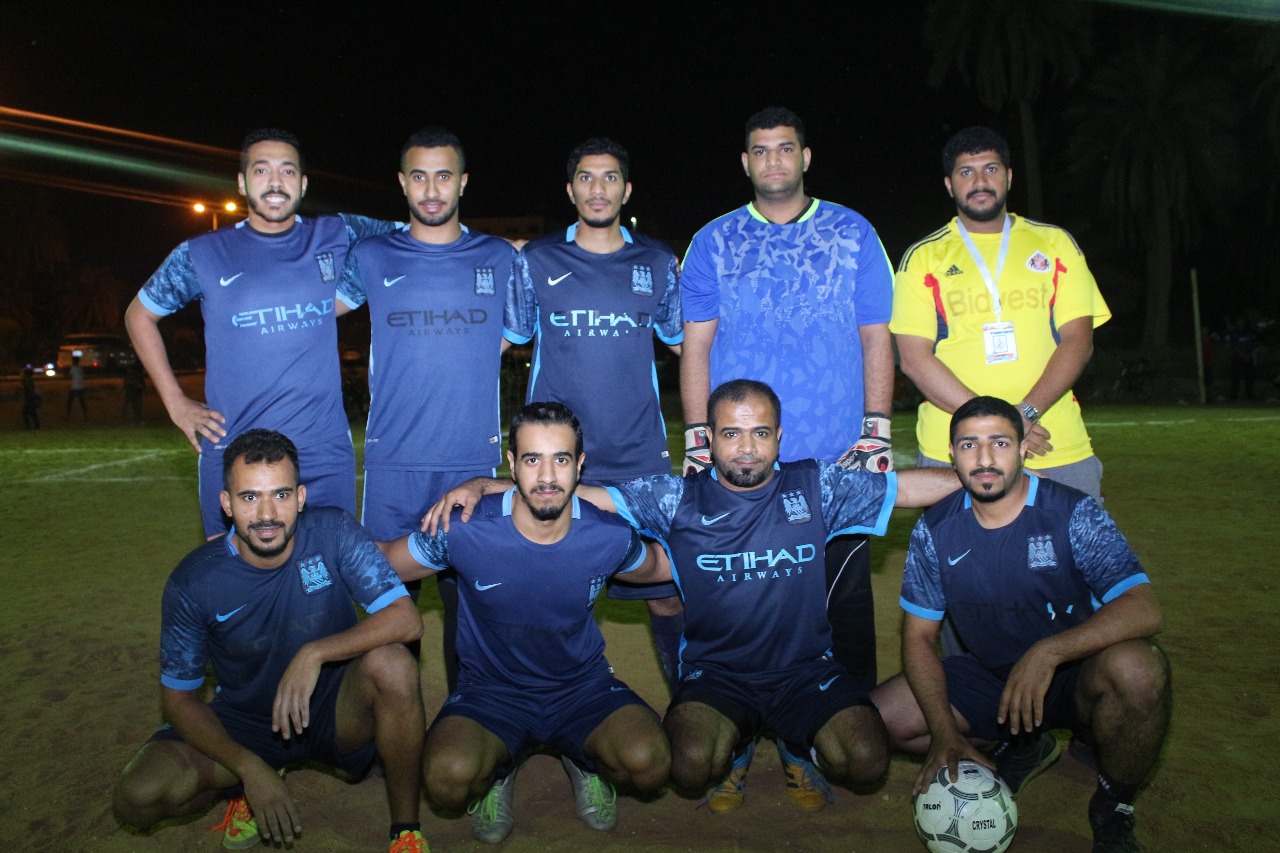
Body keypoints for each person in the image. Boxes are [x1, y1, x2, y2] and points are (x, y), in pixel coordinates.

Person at [426, 380, 959, 816]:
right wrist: (482, 483)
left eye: (759, 433)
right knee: (686, 765)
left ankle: (800, 742)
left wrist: (990, 477)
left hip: (804, 669)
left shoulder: (817, 487)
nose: (746, 447)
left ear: (779, 437)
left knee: (865, 760)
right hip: (718, 673)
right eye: (731, 433)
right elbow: (563, 488)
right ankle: (740, 743)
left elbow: (909, 487)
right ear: (707, 438)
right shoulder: (674, 497)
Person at [678, 106, 896, 805]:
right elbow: (698, 345)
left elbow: (874, 337)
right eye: (760, 151)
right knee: (739, 604)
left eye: (785, 149)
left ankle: (818, 734)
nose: (773, 161)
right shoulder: (713, 240)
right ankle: (738, 738)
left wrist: (877, 429)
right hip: (741, 464)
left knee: (845, 603)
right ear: (745, 162)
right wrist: (695, 436)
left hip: (833, 458)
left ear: (806, 156)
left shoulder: (853, 231)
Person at [871, 396, 1170, 853]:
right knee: (884, 719)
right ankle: (1021, 745)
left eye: (1000, 443)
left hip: (1078, 674)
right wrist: (945, 733)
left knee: (1139, 669)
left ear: (1023, 449)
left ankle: (1115, 803)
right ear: (951, 454)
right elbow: (918, 637)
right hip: (993, 678)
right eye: (969, 445)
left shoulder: (1071, 512)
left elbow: (1144, 608)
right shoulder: (936, 529)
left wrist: (1048, 652)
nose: (985, 458)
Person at [112, 429, 428, 853]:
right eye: (249, 498)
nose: (266, 514)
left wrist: (314, 653)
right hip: (249, 725)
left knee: (393, 663)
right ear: (226, 504)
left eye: (280, 496)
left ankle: (405, 830)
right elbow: (179, 700)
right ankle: (254, 781)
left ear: (300, 498)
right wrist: (249, 768)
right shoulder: (195, 582)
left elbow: (406, 619)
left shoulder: (333, 531)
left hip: (336, 711)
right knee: (139, 797)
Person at [379, 402, 671, 844]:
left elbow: (659, 568)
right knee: (447, 779)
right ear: (512, 464)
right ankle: (501, 764)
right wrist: (304, 537)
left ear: (580, 466)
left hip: (580, 687)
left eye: (562, 459)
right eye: (533, 459)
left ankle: (582, 756)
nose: (548, 476)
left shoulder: (609, 536)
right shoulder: (464, 529)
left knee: (649, 763)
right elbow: (383, 563)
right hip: (492, 692)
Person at [125, 128, 402, 538]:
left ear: (304, 184)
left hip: (322, 453)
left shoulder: (336, 233)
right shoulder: (201, 253)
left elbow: (425, 236)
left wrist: (501, 249)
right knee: (239, 583)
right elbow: (138, 316)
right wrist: (174, 401)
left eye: (288, 171)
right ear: (241, 182)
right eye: (262, 170)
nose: (275, 182)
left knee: (327, 581)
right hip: (235, 451)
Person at [339, 126, 530, 689]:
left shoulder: (496, 256)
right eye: (418, 176)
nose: (431, 188)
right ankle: (396, 730)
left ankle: (464, 724)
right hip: (393, 464)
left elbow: (515, 330)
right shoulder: (371, 256)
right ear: (402, 183)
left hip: (470, 465)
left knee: (468, 616)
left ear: (463, 182)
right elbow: (313, 313)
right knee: (391, 616)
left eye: (443, 175)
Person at [510, 137, 686, 694]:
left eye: (609, 178)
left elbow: (692, 348)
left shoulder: (658, 263)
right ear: (570, 190)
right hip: (557, 467)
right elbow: (500, 340)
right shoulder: (536, 260)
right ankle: (542, 717)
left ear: (626, 189)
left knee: (667, 592)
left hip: (640, 459)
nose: (598, 189)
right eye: (586, 178)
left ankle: (691, 708)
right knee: (548, 595)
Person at [892, 126, 1110, 499]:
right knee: (964, 557)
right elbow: (914, 359)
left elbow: (1078, 341)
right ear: (949, 184)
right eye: (966, 172)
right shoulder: (923, 257)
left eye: (991, 169)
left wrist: (1024, 414)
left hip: (1052, 442)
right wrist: (998, 426)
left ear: (1009, 177)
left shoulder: (1055, 244)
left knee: (1070, 555)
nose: (979, 181)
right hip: (957, 447)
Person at [65, 354, 87, 420]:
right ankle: (85, 415)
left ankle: (68, 416)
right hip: (81, 387)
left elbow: (69, 376)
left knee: (69, 402)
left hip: (75, 388)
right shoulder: (80, 369)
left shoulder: (73, 368)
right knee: (82, 402)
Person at [21, 364, 41, 429]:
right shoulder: (29, 379)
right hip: (30, 397)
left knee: (28, 412)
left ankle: (31, 425)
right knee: (31, 412)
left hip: (29, 398)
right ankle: (34, 425)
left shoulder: (27, 379)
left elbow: (29, 389)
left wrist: (32, 395)